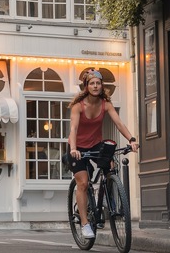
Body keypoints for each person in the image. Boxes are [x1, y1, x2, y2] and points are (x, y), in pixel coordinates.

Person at [68, 69, 139, 240]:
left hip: (95, 144)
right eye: (92, 83)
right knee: (83, 183)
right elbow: (74, 129)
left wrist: (132, 139)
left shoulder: (106, 104)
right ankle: (85, 223)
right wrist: (73, 149)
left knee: (111, 167)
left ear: (101, 86)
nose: (95, 86)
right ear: (86, 86)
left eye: (98, 83)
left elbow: (119, 123)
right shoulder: (78, 106)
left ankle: (107, 198)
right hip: (77, 147)